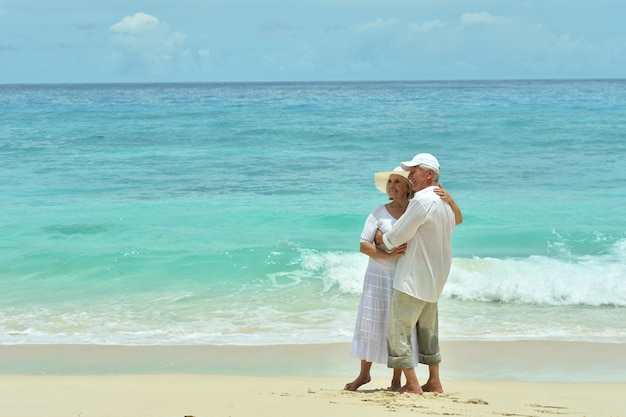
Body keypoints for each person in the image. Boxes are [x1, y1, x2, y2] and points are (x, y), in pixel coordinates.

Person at [345, 165, 462, 392]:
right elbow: (364, 244)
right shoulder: (379, 211)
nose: (392, 186)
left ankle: (397, 380)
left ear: (408, 187)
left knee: (401, 329)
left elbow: (452, 221)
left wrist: (452, 200)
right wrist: (385, 252)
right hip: (378, 275)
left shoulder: (418, 207)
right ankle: (364, 375)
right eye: (390, 182)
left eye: (397, 181)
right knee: (373, 324)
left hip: (405, 275)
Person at [376, 152, 460, 395]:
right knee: (428, 332)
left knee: (398, 330)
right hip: (435, 277)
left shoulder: (422, 201)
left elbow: (396, 238)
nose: (409, 174)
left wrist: (381, 237)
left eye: (414, 171)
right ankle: (434, 381)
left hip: (413, 277)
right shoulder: (443, 202)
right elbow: (455, 223)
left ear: (429, 175)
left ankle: (412, 384)